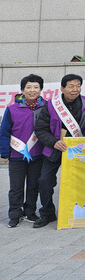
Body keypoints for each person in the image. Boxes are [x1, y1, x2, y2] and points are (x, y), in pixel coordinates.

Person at [34, 74, 85, 228]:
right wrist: (54, 142)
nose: (75, 89)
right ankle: (47, 213)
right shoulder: (51, 105)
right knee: (44, 181)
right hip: (55, 149)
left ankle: (83, 211)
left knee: (83, 181)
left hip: (79, 151)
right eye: (71, 86)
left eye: (78, 86)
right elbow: (40, 129)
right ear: (62, 88)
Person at [0, 74, 46, 227]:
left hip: (38, 154)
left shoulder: (46, 107)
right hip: (16, 155)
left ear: (40, 89)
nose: (32, 90)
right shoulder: (12, 109)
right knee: (16, 187)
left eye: (36, 87)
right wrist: (4, 153)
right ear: (22, 90)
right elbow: (4, 132)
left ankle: (30, 212)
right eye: (28, 87)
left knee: (33, 186)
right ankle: (15, 214)